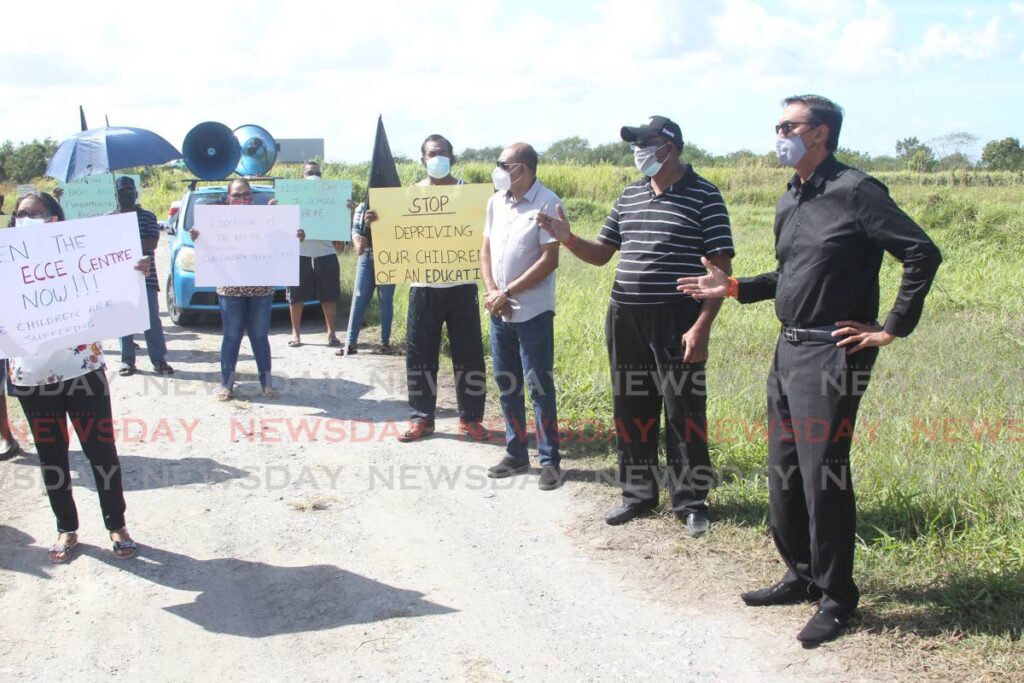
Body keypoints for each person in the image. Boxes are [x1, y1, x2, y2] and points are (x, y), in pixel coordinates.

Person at [678, 95, 943, 646]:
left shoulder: (857, 191)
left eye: (788, 126)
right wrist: (730, 287)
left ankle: (837, 595)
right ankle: (799, 574)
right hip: (789, 349)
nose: (779, 134)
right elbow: (787, 276)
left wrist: (891, 325)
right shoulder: (792, 196)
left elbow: (921, 253)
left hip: (834, 351)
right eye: (778, 125)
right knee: (785, 469)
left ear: (819, 133)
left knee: (824, 471)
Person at [537, 116, 734, 536]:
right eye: (635, 143)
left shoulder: (705, 196)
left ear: (671, 147)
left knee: (684, 410)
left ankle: (691, 501)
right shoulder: (629, 196)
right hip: (625, 315)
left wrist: (702, 326)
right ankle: (638, 494)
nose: (638, 151)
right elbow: (601, 255)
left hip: (677, 317)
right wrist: (568, 238)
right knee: (631, 405)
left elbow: (720, 273)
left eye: (646, 142)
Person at [6, 192, 144, 562]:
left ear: (55, 219)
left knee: (101, 451)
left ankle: (117, 524)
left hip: (83, 372)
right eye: (20, 214)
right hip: (32, 378)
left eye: (34, 213)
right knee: (51, 456)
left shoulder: (81, 257)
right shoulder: (5, 262)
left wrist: (132, 272)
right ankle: (66, 527)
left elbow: (115, 290)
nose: (26, 218)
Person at [362, 134, 487, 442]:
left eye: (442, 152)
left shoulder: (470, 195)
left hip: (462, 284)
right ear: (422, 159)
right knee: (420, 355)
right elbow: (390, 235)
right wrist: (377, 221)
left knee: (469, 355)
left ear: (452, 157)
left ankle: (470, 419)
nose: (437, 157)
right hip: (423, 286)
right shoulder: (409, 196)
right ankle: (422, 418)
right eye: (432, 153)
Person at [479, 143, 563, 489]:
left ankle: (550, 461)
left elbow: (549, 259)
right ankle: (515, 452)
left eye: (504, 164)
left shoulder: (547, 202)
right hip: (499, 311)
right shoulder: (496, 201)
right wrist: (491, 290)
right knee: (507, 383)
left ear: (523, 168)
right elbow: (485, 248)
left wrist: (508, 291)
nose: (497, 169)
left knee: (538, 386)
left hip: (532, 311)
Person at [189, 178, 297, 401]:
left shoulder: (266, 219)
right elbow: (208, 249)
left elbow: (283, 242)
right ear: (228, 197)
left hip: (261, 288)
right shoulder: (216, 222)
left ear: (251, 196)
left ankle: (266, 384)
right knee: (231, 335)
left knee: (259, 335)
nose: (242, 199)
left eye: (246, 194)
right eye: (237, 195)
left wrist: (295, 235)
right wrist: (197, 238)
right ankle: (226, 385)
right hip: (230, 288)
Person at [111, 176, 174, 376]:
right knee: (123, 320)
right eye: (122, 191)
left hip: (146, 276)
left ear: (136, 193)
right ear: (116, 195)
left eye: (130, 190)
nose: (127, 194)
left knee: (151, 320)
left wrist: (124, 239)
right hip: (119, 279)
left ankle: (159, 359)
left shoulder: (148, 216)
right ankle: (127, 361)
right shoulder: (108, 219)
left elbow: (151, 244)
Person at [286, 161, 344, 348]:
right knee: (296, 297)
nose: (314, 175)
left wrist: (347, 210)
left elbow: (340, 238)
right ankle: (295, 334)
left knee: (329, 296)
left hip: (325, 253)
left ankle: (331, 334)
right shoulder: (292, 197)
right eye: (310, 172)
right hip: (299, 254)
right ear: (302, 176)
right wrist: (276, 209)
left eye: (317, 172)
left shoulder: (333, 197)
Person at [340, 196, 396, 356]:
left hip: (388, 260)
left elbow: (399, 231)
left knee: (386, 302)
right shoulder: (362, 207)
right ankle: (350, 343)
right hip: (367, 259)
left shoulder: (394, 205)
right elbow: (356, 232)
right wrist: (359, 240)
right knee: (358, 300)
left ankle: (385, 343)